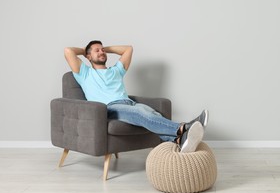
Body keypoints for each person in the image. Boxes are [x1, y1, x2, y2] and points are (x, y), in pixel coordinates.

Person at [64, 40, 208, 153]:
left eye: (103, 50)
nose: (101, 52)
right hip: (109, 108)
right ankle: (184, 127)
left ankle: (179, 140)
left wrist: (104, 49)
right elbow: (68, 51)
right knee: (141, 113)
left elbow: (128, 49)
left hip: (129, 103)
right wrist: (85, 50)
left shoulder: (116, 71)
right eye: (97, 50)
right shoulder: (85, 73)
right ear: (88, 56)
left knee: (151, 113)